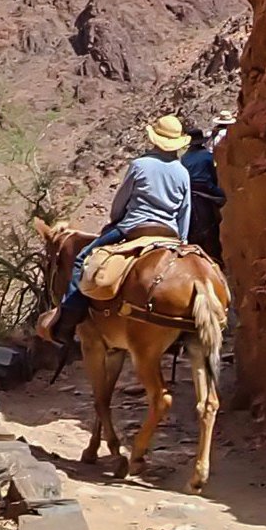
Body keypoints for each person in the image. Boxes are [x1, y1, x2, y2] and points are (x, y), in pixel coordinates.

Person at [39, 114, 195, 353]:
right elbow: (185, 209)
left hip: (135, 225)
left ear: (154, 140)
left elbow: (121, 202)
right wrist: (181, 240)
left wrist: (115, 222)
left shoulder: (140, 165)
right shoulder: (182, 171)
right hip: (169, 232)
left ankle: (67, 321)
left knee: (83, 260)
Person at [179, 119, 227, 266]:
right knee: (225, 198)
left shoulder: (184, 158)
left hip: (189, 191)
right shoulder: (208, 156)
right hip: (206, 188)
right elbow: (214, 175)